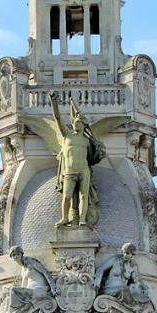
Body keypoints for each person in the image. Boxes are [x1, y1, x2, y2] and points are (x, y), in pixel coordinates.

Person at [50, 94, 105, 227]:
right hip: (69, 171)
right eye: (74, 122)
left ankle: (82, 219)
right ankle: (64, 218)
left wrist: (99, 149)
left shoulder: (87, 140)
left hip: (84, 170)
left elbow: (94, 157)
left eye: (79, 122)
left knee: (84, 196)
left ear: (83, 125)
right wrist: (54, 103)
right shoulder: (67, 135)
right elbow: (57, 118)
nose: (75, 124)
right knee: (67, 196)